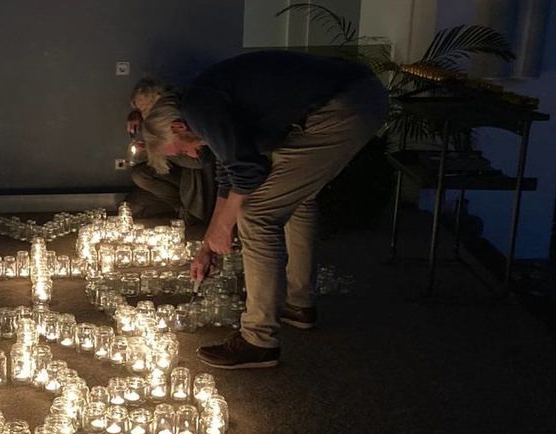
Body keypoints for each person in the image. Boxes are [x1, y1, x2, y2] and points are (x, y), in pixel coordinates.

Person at [142, 50, 387, 369]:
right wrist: (208, 243)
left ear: (177, 127)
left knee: (257, 216)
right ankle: (298, 305)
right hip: (354, 95)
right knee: (295, 199)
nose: (189, 154)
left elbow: (248, 173)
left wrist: (225, 227)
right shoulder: (203, 104)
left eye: (180, 150)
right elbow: (229, 175)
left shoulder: (199, 109)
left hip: (342, 106)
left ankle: (258, 341)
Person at [125, 78, 215, 223]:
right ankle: (179, 206)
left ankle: (189, 210)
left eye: (146, 109)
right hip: (173, 173)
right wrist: (135, 114)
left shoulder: (183, 117)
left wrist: (154, 149)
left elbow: (200, 160)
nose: (144, 115)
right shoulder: (151, 120)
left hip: (195, 177)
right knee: (131, 204)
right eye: (140, 110)